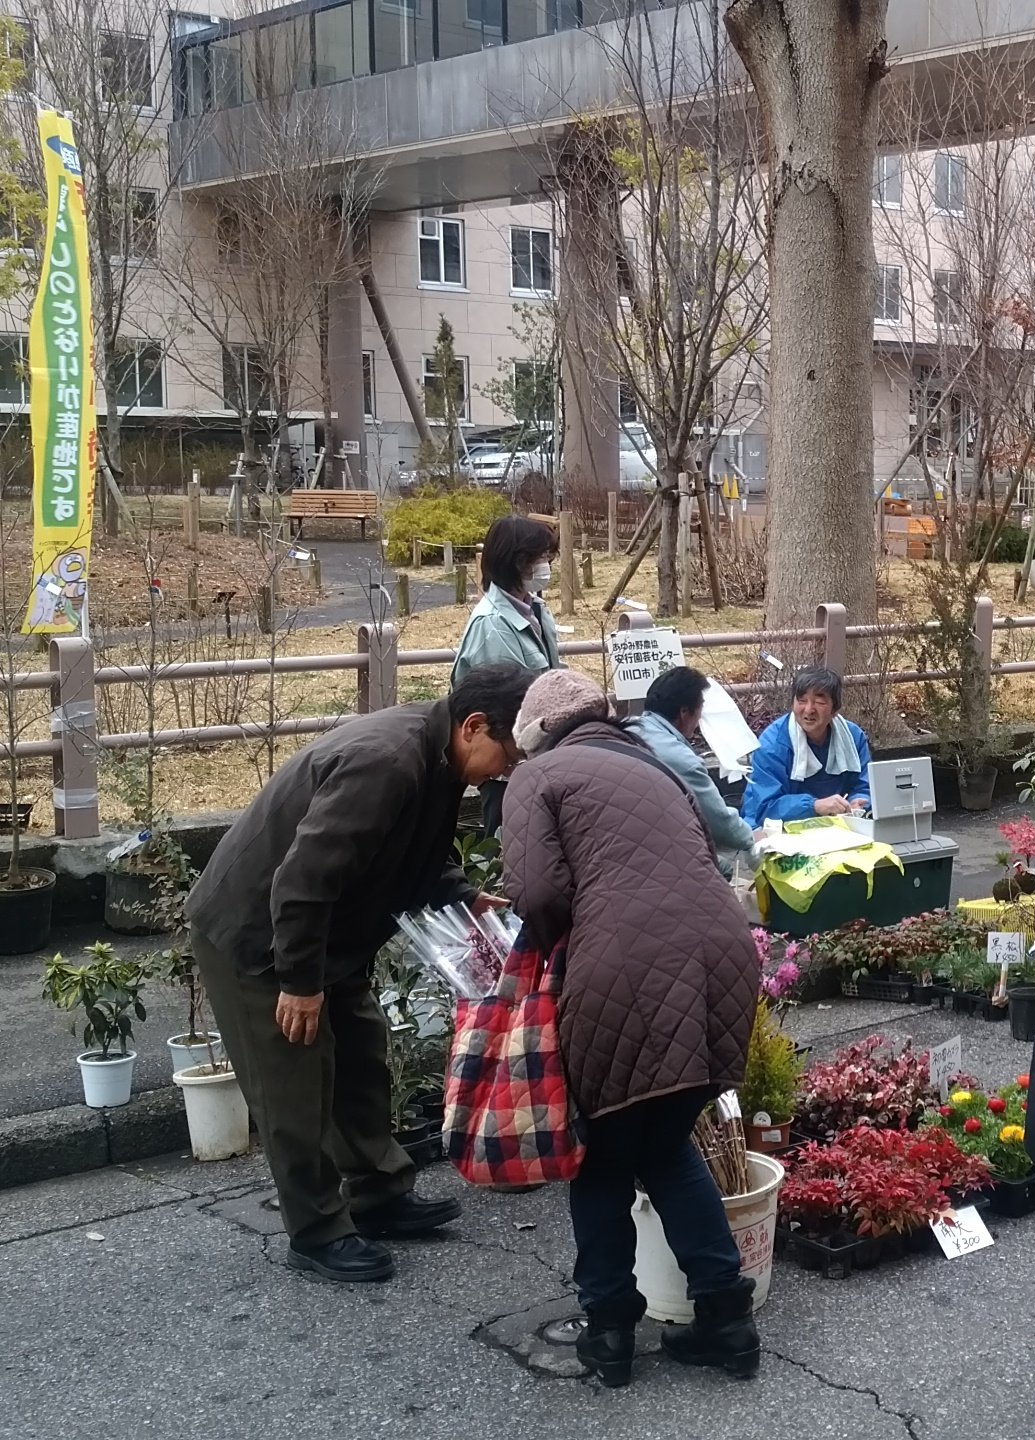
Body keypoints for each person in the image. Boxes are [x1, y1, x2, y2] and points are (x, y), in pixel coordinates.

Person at [185, 663, 536, 1283]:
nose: (507, 771)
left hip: (332, 931)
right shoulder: (387, 761)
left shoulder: (440, 758)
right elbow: (301, 880)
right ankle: (317, 1232)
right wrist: (298, 982)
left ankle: (379, 1195)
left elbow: (409, 850)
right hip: (261, 934)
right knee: (292, 1083)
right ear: (474, 725)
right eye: (508, 755)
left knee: (361, 1060)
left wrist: (460, 892)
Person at [501, 669, 761, 1387]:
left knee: (603, 1156)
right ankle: (728, 1323)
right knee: (666, 1143)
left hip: (623, 970)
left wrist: (558, 942)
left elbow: (538, 892)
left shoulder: (539, 777)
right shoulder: (654, 761)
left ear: (538, 733)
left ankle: (610, 1333)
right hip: (722, 956)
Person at [452, 516, 562, 832]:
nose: (547, 565)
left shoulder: (534, 608)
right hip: (506, 768)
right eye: (540, 557)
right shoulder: (492, 625)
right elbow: (507, 709)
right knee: (506, 852)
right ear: (517, 562)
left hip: (535, 757)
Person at [626, 664, 757, 873]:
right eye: (700, 710)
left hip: (621, 834)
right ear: (685, 712)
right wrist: (751, 838)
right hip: (646, 852)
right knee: (721, 869)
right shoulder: (679, 758)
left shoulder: (629, 727)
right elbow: (719, 823)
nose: (699, 721)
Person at [741, 666, 872, 825]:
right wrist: (814, 805)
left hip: (838, 823)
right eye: (802, 701)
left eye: (819, 702)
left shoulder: (853, 737)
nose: (809, 710)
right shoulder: (772, 744)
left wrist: (859, 802)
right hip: (772, 825)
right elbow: (766, 808)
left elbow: (865, 786)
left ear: (835, 709)